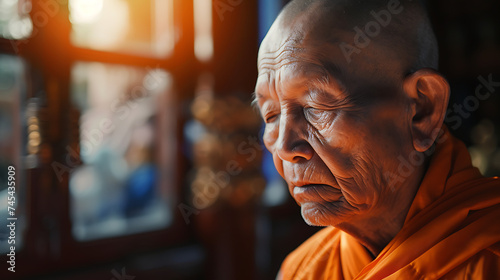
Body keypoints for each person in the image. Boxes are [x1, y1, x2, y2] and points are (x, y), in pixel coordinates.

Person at [253, 0, 500, 279]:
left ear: (421, 110)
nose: (285, 148)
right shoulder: (301, 271)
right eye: (271, 115)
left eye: (316, 107)